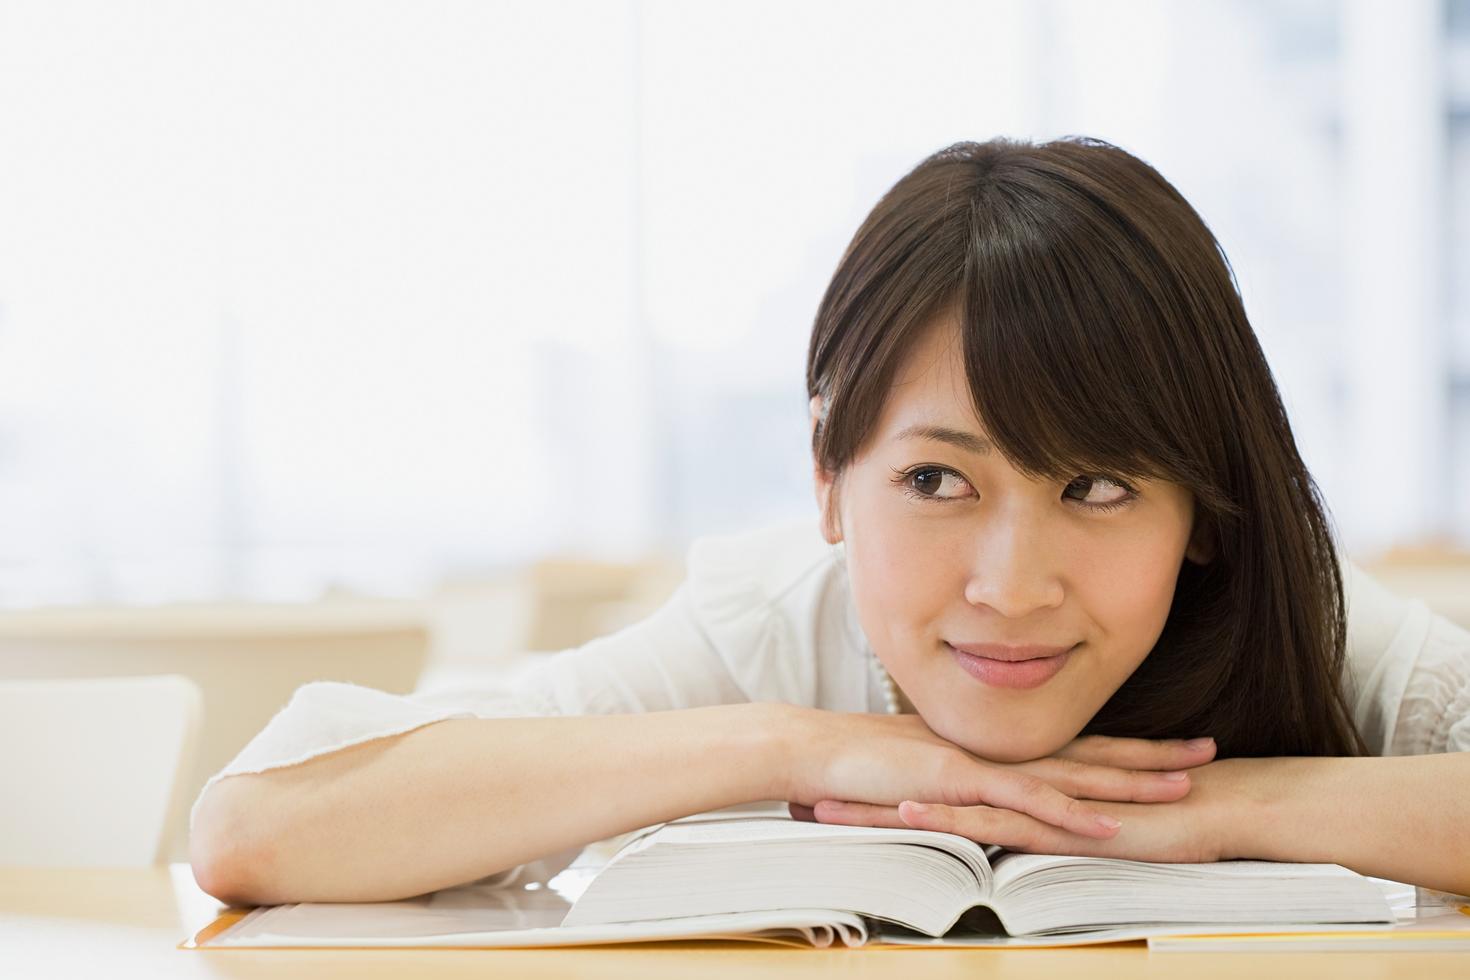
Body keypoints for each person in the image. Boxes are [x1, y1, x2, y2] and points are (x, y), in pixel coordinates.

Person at [188, 136, 1470, 908]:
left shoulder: (1299, 616)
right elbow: (254, 833)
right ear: (827, 476)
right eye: (935, 482)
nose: (1013, 586)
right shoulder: (765, 625)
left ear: (1201, 506)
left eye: (1096, 486)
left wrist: (1219, 807)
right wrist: (805, 745)